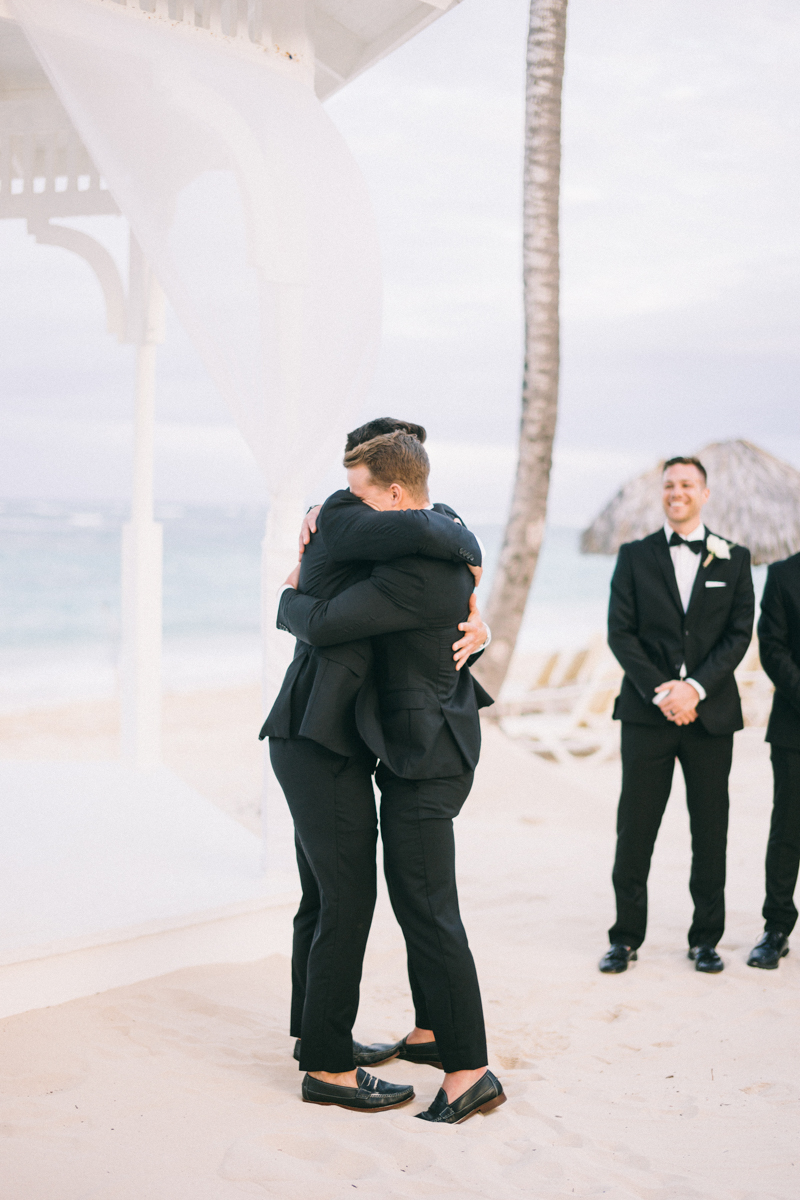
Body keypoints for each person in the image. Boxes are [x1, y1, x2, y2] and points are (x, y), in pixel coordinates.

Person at [261, 420, 491, 1114]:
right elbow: (415, 540)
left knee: (350, 900)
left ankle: (327, 1043)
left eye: (361, 489)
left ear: (393, 493)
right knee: (344, 900)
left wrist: (289, 600)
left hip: (370, 746)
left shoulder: (412, 560)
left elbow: (344, 617)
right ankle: (326, 1060)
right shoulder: (350, 525)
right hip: (318, 739)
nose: (344, 499)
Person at [600, 456, 754, 974]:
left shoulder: (734, 558)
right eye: (669, 485)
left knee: (710, 829)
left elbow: (739, 634)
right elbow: (620, 632)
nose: (677, 492)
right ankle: (624, 938)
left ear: (705, 493)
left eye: (687, 484)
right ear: (661, 493)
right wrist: (662, 692)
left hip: (710, 718)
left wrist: (694, 688)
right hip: (647, 716)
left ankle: (705, 939)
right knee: (635, 828)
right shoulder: (634, 555)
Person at [747, 553, 800, 968]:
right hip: (794, 727)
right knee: (787, 828)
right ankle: (776, 927)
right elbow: (772, 647)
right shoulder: (782, 575)